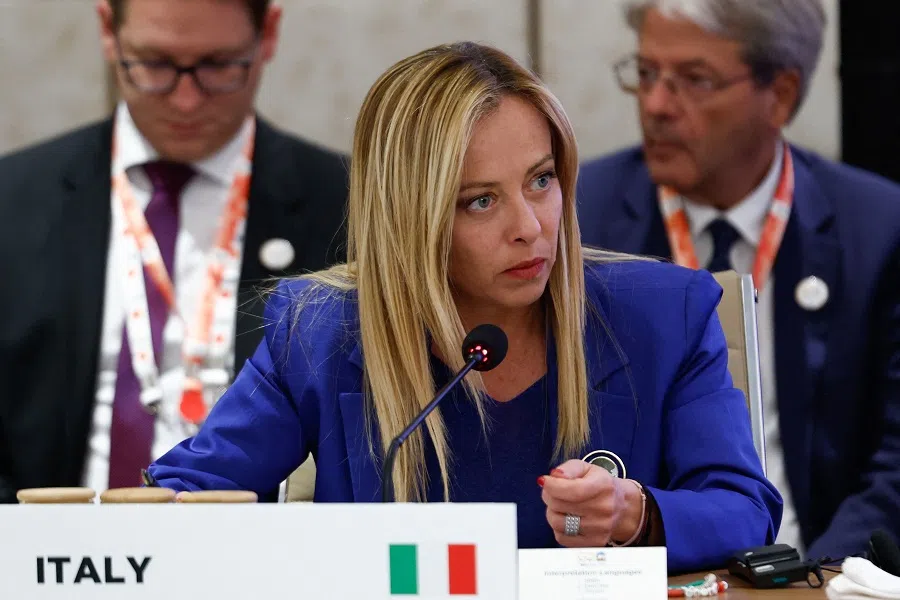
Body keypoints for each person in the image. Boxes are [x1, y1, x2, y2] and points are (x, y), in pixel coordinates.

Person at [148, 41, 781, 572]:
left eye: (541, 180)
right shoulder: (320, 333)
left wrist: (633, 514)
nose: (530, 227)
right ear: (410, 219)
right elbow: (190, 499)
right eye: (481, 201)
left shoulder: (664, 317)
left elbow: (744, 510)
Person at [577, 0, 900, 561]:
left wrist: (817, 581)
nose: (655, 105)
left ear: (780, 94)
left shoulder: (877, 230)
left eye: (695, 80)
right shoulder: (578, 221)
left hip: (821, 570)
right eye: (647, 73)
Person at [0, 0, 348, 503]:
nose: (186, 101)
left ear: (268, 35)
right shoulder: (13, 202)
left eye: (219, 66)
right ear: (108, 31)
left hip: (257, 541)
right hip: (47, 538)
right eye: (155, 65)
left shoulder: (347, 206)